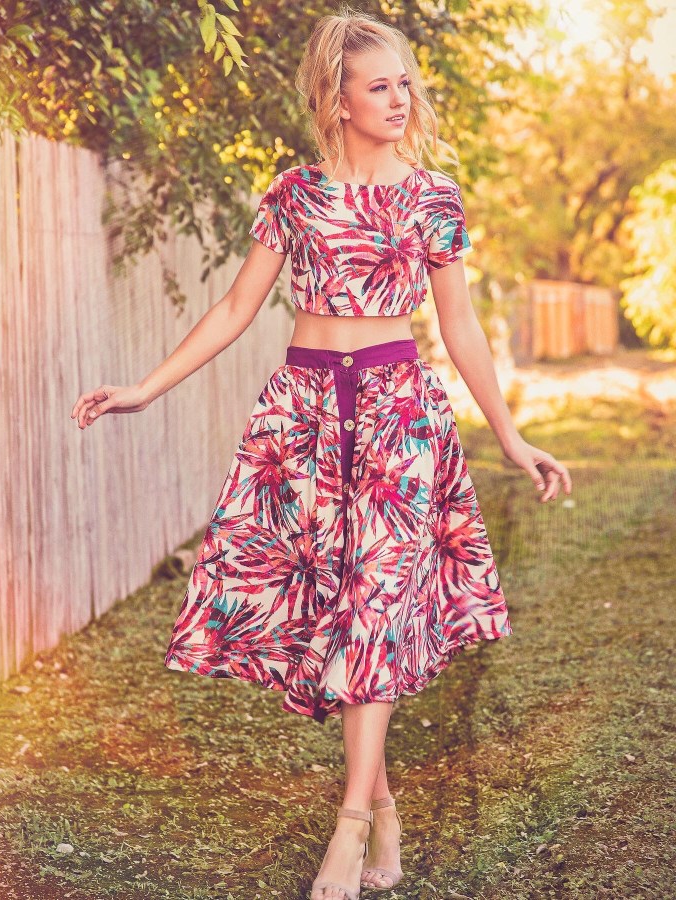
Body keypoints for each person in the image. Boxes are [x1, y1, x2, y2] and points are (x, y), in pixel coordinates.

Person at [71, 8, 571, 899]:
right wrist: (147, 387)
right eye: (379, 85)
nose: (398, 97)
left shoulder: (433, 198)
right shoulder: (294, 194)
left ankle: (348, 827)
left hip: (396, 419)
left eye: (403, 83)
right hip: (302, 416)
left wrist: (511, 437)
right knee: (328, 622)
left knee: (374, 612)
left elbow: (460, 328)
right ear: (335, 99)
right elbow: (233, 311)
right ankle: (383, 811)